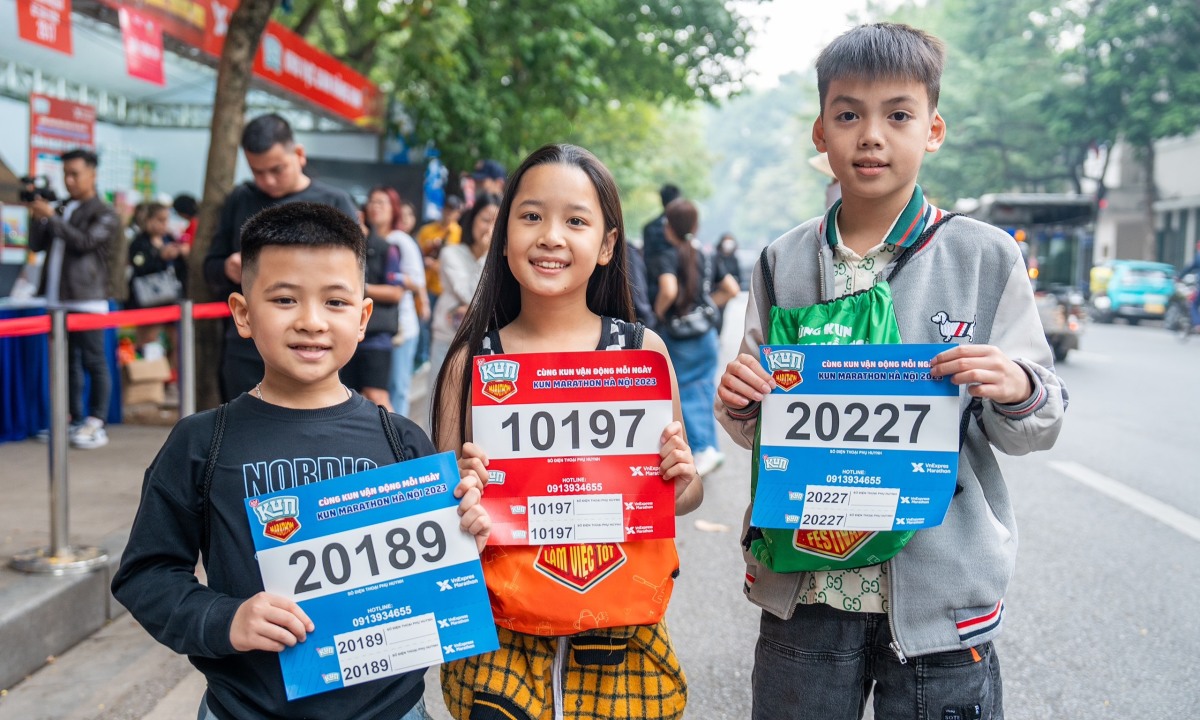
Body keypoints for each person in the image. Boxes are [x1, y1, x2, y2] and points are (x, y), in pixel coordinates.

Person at [715, 23, 1067, 720]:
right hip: (808, 592)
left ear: (933, 129)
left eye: (898, 115)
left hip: (940, 606)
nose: (871, 135)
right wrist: (742, 401)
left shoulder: (984, 257)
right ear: (822, 133)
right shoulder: (783, 261)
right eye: (848, 115)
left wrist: (1018, 387)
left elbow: (1039, 422)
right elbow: (753, 424)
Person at [111, 201, 491, 720]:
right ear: (243, 314)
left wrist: (469, 532)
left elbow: (442, 582)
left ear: (361, 319)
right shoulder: (202, 443)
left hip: (390, 710)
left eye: (335, 302)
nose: (311, 321)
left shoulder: (401, 442)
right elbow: (146, 573)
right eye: (285, 299)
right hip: (243, 710)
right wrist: (226, 619)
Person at [432, 143, 702, 720]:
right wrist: (459, 498)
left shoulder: (641, 355)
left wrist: (680, 477)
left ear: (607, 245)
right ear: (504, 235)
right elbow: (444, 521)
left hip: (621, 632)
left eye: (575, 220)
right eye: (530, 216)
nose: (551, 236)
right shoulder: (471, 362)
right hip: (501, 643)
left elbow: (682, 497)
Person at [204, 113, 358, 402]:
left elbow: (356, 278)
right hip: (247, 349)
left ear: (299, 154)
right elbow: (209, 267)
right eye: (257, 172)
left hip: (317, 350)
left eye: (277, 169)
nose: (268, 181)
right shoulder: (240, 199)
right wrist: (228, 267)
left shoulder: (336, 202)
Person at [27, 148, 120, 449]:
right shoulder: (63, 207)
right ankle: (73, 419)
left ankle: (97, 422)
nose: (69, 180)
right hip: (57, 299)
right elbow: (36, 244)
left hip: (87, 300)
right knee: (66, 364)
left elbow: (85, 242)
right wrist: (37, 215)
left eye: (75, 174)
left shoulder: (103, 211)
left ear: (92, 174)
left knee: (94, 360)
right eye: (65, 173)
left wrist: (51, 216)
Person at [651, 199, 738, 478]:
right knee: (702, 389)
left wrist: (658, 314)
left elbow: (668, 289)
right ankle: (709, 448)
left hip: (680, 337)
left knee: (685, 391)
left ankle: (702, 448)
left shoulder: (669, 255)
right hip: (706, 335)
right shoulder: (708, 254)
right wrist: (707, 306)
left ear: (669, 227)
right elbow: (732, 289)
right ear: (696, 226)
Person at [364, 186, 428, 416]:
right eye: (372, 202)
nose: (376, 207)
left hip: (401, 326)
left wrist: (392, 279)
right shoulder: (367, 239)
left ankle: (400, 443)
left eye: (382, 203)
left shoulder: (400, 241)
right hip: (375, 326)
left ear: (394, 209)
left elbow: (417, 281)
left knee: (397, 388)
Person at [427, 192, 501, 391]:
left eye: (497, 222)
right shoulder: (451, 253)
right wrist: (489, 254)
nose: (490, 228)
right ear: (472, 219)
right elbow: (470, 294)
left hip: (486, 344)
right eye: (485, 219)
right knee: (439, 405)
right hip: (449, 340)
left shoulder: (506, 258)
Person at [343, 198, 403, 409]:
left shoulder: (386, 248)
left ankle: (396, 441)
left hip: (375, 337)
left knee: (377, 397)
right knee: (345, 397)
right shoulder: (340, 248)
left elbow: (396, 292)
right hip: (344, 334)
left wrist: (359, 289)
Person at [126, 201, 188, 373]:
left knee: (178, 341)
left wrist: (182, 254)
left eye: (166, 220)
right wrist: (160, 256)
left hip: (172, 299)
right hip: (149, 301)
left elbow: (181, 270)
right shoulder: (139, 243)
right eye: (159, 220)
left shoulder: (170, 239)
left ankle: (173, 378)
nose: (163, 225)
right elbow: (139, 266)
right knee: (148, 342)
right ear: (148, 220)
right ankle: (149, 380)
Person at [416, 195, 463, 367]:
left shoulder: (459, 233)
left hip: (446, 287)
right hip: (427, 283)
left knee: (441, 325)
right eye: (448, 209)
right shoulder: (428, 230)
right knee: (424, 322)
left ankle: (430, 357)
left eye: (454, 210)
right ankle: (423, 357)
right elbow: (417, 253)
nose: (450, 213)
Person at [713, 232, 743, 333]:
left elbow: (738, 280)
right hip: (716, 292)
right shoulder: (716, 258)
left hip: (726, 293)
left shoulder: (734, 259)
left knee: (720, 315)